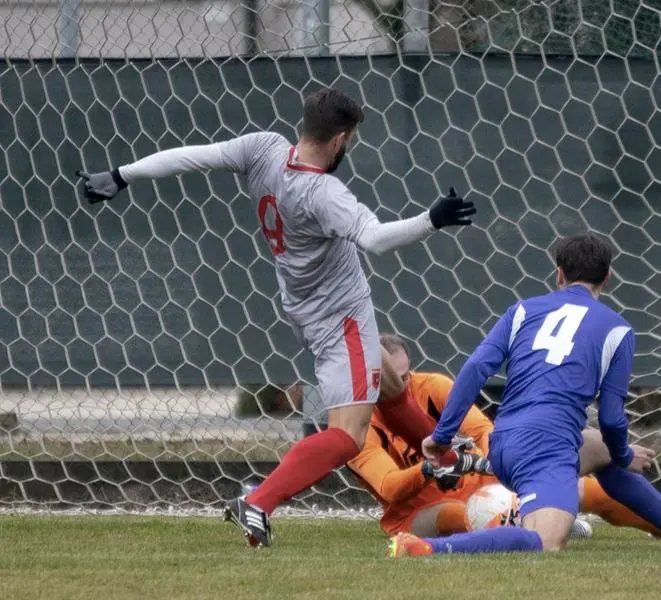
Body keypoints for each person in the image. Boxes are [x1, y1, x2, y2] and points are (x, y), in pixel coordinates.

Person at [75, 87, 476, 548]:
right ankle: (259, 501)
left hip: (307, 309)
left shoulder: (263, 147)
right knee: (347, 436)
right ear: (342, 139)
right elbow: (376, 239)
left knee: (389, 386)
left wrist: (121, 174)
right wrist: (433, 219)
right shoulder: (324, 192)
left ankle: (443, 454)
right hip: (340, 318)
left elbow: (192, 157)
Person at [391, 232, 661, 556]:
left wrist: (443, 434)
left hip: (503, 441)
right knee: (546, 543)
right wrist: (624, 454)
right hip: (546, 449)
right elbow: (612, 417)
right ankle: (425, 548)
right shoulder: (618, 329)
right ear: (608, 278)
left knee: (596, 448)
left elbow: (476, 368)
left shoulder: (521, 311)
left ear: (558, 274)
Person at [351, 334, 661, 540]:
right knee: (456, 513)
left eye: (406, 374)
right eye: (390, 378)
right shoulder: (358, 420)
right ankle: (537, 524)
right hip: (412, 517)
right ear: (371, 379)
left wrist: (498, 466)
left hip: (479, 481)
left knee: (582, 478)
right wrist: (429, 471)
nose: (403, 383)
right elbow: (388, 486)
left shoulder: (431, 386)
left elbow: (483, 431)